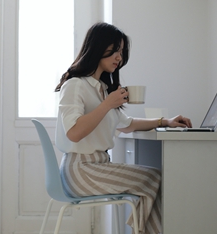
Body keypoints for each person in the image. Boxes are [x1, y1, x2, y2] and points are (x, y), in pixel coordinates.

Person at [55, 22, 192, 234]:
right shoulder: (75, 85)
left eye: (121, 51)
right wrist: (107, 104)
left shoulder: (101, 88)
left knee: (153, 179)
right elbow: (73, 132)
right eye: (115, 50)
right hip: (81, 171)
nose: (119, 57)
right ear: (98, 47)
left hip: (96, 167)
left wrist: (165, 121)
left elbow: (127, 124)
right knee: (153, 178)